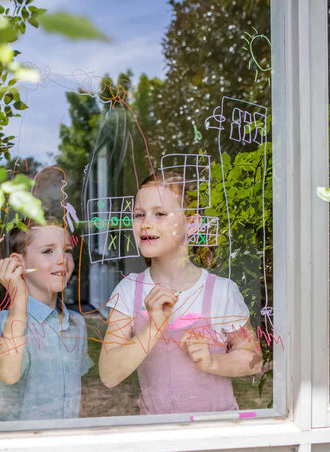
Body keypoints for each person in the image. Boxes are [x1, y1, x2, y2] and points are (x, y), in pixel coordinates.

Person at [99, 172, 262, 415]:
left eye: (160, 214)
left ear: (192, 223)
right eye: (139, 214)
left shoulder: (221, 291)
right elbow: (109, 375)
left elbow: (253, 360)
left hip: (215, 435)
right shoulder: (129, 290)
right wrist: (153, 328)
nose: (145, 223)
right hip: (157, 436)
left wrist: (212, 362)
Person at [0, 219, 93, 421]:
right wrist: (18, 296)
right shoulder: (6, 321)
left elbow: (75, 394)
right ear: (19, 263)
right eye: (48, 251)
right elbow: (8, 374)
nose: (63, 259)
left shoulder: (76, 323)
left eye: (68, 250)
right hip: (22, 445)